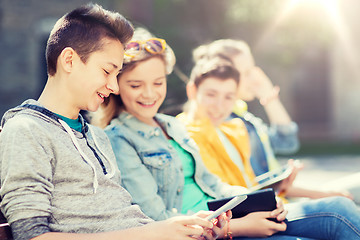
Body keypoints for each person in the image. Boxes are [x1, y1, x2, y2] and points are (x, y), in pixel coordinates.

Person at [94, 27, 360, 239]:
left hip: (229, 214)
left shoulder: (170, 125)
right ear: (117, 85)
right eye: (136, 85)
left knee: (341, 209)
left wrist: (263, 202)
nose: (150, 94)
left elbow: (214, 184)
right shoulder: (119, 138)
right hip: (210, 229)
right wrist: (238, 227)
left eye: (158, 82)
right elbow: (159, 219)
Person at [0, 4, 225, 240]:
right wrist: (155, 233)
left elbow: (124, 220)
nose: (114, 87)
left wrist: (184, 229)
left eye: (116, 75)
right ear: (69, 60)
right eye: (107, 71)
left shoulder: (97, 137)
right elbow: (31, 236)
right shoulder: (26, 130)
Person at [177, 56, 360, 239]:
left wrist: (277, 187)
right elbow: (216, 194)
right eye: (211, 95)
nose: (219, 105)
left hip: (261, 208)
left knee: (340, 207)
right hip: (235, 219)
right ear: (193, 91)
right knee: (338, 211)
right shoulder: (185, 136)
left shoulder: (234, 128)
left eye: (228, 97)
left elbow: (250, 181)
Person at [189, 39, 352, 201]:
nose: (255, 77)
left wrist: (269, 96)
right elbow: (257, 184)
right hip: (277, 204)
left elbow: (286, 141)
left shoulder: (241, 116)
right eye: (247, 73)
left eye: (253, 69)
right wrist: (320, 195)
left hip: (282, 200)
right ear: (226, 73)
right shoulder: (224, 122)